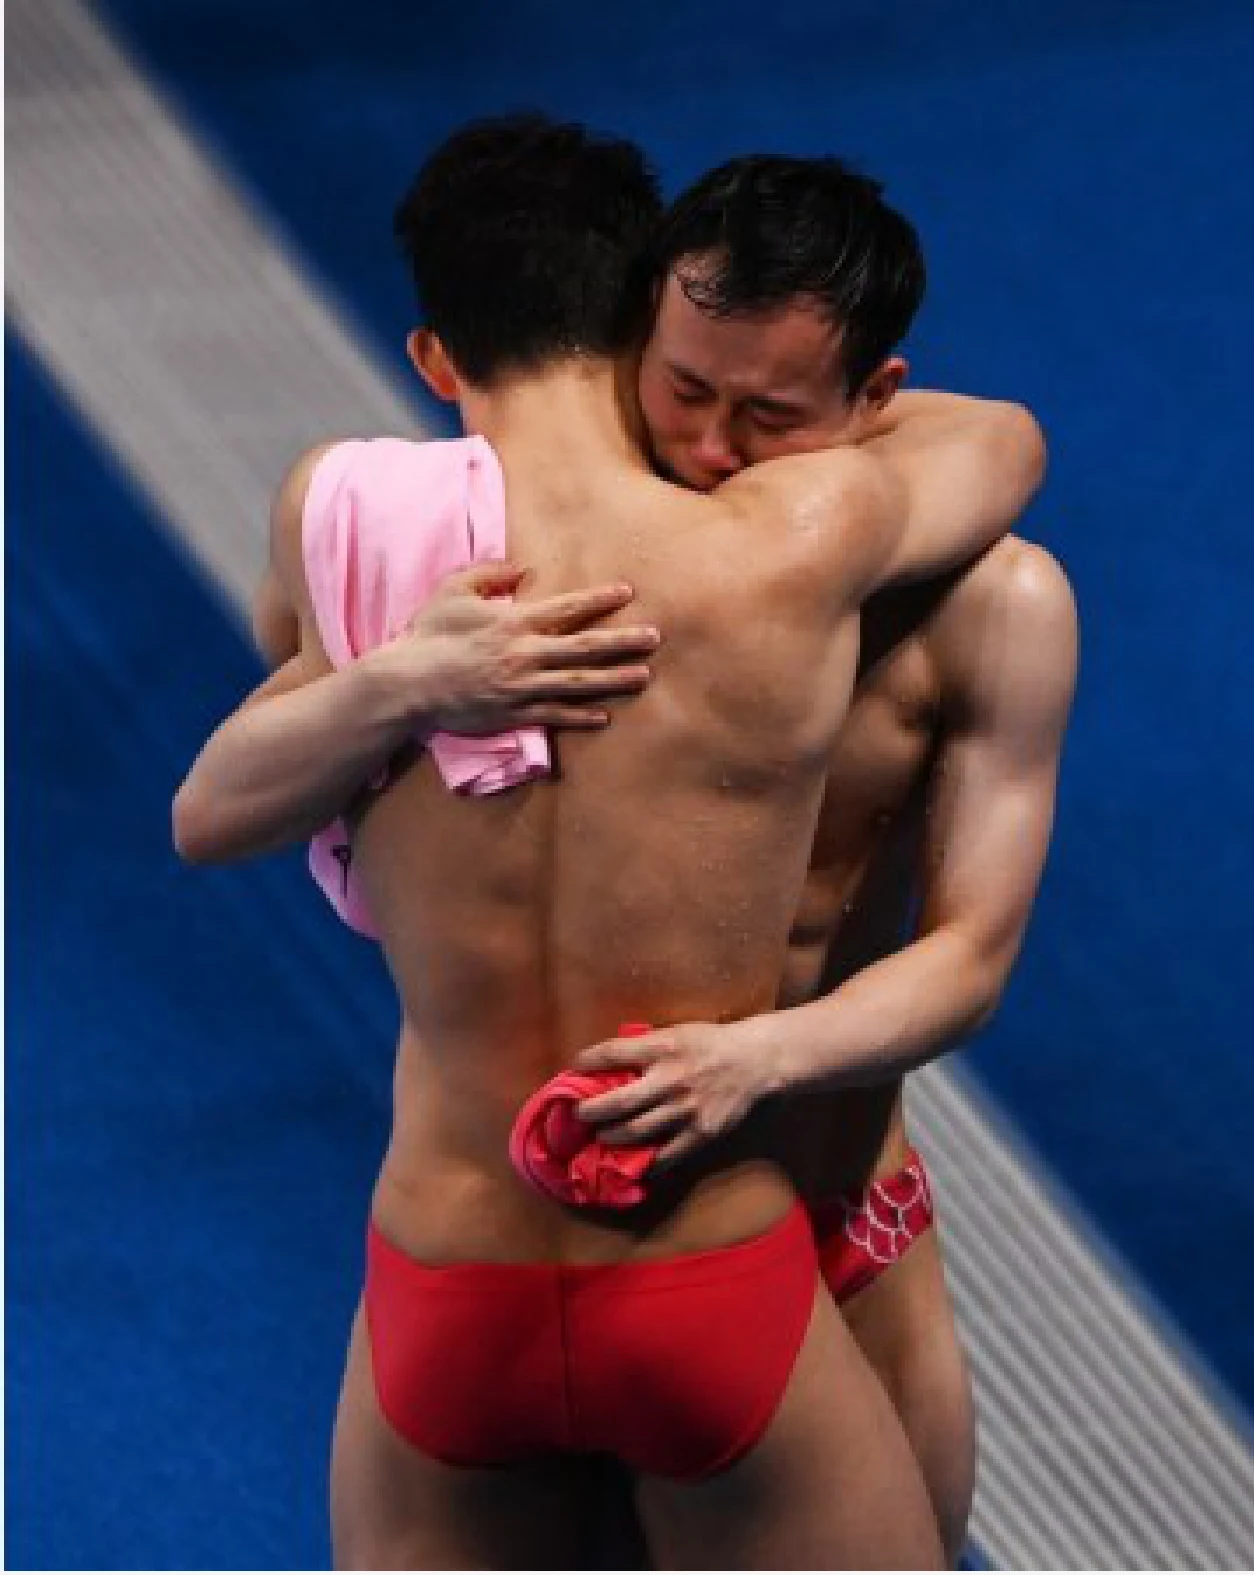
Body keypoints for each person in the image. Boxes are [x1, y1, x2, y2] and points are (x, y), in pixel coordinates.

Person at [175, 153, 1078, 1564]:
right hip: (686, 1256)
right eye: (683, 390)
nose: (714, 444)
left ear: (874, 405)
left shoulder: (975, 597)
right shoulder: (496, 576)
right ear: (623, 350)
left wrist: (762, 1058)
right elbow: (206, 804)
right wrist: (406, 682)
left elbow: (970, 951)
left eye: (768, 415)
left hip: (812, 1203)